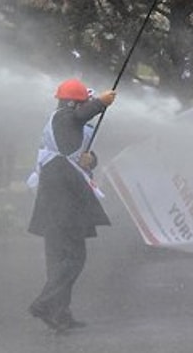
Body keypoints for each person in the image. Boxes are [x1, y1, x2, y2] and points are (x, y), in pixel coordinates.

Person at [27, 78, 115, 333]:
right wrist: (101, 102)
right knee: (74, 258)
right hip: (62, 201)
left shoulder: (69, 126)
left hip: (56, 199)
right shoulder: (63, 118)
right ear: (73, 103)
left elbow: (81, 155)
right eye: (83, 103)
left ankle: (60, 313)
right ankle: (45, 304)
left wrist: (91, 160)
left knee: (59, 260)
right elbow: (77, 117)